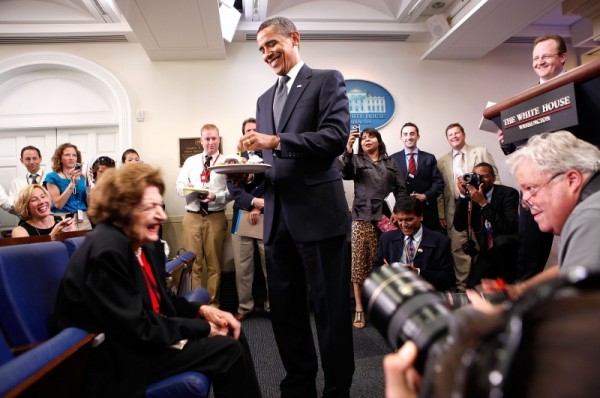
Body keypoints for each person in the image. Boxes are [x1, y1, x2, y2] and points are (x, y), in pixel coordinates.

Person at [54, 164, 261, 398]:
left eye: (160, 205)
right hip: (116, 360)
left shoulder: (146, 243)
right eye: (151, 207)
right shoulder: (106, 251)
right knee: (227, 350)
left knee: (230, 329)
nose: (162, 215)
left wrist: (203, 311)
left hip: (142, 342)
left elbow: (164, 301)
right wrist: (202, 328)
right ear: (123, 208)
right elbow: (137, 328)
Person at [236, 16, 355, 398]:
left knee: (330, 312)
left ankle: (337, 389)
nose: (267, 53)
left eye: (272, 44)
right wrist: (246, 174)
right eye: (261, 49)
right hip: (277, 222)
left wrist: (275, 140)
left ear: (294, 39)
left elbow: (334, 138)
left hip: (319, 217)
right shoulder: (263, 99)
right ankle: (298, 385)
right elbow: (270, 162)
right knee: (285, 315)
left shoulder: (326, 80)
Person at [496, 34, 566, 281]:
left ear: (562, 58)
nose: (540, 61)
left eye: (546, 56)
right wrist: (507, 143)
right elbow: (520, 150)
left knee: (578, 250)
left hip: (570, 187)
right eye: (536, 57)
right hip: (535, 191)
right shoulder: (524, 102)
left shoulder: (578, 89)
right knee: (528, 257)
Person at [341, 127, 407, 328]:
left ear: (379, 140)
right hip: (362, 215)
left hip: (388, 216)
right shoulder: (356, 160)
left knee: (390, 260)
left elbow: (401, 189)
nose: (367, 140)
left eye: (371, 137)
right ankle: (360, 308)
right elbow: (345, 173)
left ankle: (388, 305)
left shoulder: (390, 162)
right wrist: (348, 147)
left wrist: (399, 210)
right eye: (364, 138)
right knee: (359, 262)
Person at [437, 123, 500, 292]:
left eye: (457, 133)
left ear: (464, 134)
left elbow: (496, 179)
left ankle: (480, 288)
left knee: (482, 247)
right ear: (447, 138)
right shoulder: (442, 161)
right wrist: (442, 214)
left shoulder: (480, 152)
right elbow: (441, 191)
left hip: (480, 207)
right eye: (450, 135)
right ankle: (462, 289)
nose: (454, 137)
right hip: (455, 210)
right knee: (459, 249)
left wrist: (489, 204)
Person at [176, 124, 230, 306]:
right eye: (207, 138)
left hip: (215, 216)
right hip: (192, 217)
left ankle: (213, 304)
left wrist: (217, 196)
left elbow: (232, 192)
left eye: (214, 138)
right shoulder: (190, 162)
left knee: (214, 265)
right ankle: (196, 305)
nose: (210, 142)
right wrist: (190, 189)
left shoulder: (227, 162)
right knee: (194, 264)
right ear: (200, 141)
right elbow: (179, 187)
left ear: (219, 139)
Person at [228, 117, 269, 321]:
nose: (251, 133)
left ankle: (273, 306)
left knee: (270, 266)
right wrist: (253, 202)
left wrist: (260, 204)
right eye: (248, 131)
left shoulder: (271, 156)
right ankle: (244, 307)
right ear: (243, 135)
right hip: (241, 217)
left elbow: (273, 182)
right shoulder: (234, 159)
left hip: (267, 216)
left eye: (255, 130)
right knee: (243, 268)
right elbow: (233, 189)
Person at [453, 162, 519, 287]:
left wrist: (483, 202)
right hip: (487, 252)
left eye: (485, 176)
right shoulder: (470, 196)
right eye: (477, 176)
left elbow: (507, 227)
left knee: (504, 289)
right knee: (472, 287)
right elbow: (459, 226)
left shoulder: (508, 193)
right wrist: (462, 195)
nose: (480, 180)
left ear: (494, 178)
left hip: (508, 251)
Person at [373, 196, 455, 291]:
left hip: (428, 294)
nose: (404, 225)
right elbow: (376, 268)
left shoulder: (440, 241)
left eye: (409, 219)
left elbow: (449, 278)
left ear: (421, 217)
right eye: (400, 220)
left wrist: (418, 272)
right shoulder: (386, 238)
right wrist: (384, 271)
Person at [390, 122, 444, 232]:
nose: (409, 137)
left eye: (412, 134)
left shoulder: (429, 158)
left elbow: (439, 183)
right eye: (405, 134)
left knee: (428, 244)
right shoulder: (392, 159)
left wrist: (425, 196)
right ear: (401, 137)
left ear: (418, 136)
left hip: (427, 211)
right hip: (403, 212)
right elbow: (389, 185)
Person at [44, 143, 91, 230]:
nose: (71, 158)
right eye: (67, 155)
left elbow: (90, 203)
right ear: (60, 158)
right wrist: (72, 184)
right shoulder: (52, 177)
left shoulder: (82, 177)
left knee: (86, 242)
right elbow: (58, 204)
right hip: (63, 218)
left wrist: (89, 184)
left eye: (74, 155)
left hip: (83, 218)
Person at [11, 184, 75, 239]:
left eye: (43, 196)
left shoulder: (63, 220)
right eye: (34, 200)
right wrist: (51, 237)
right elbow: (29, 253)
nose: (42, 202)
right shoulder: (19, 231)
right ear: (26, 207)